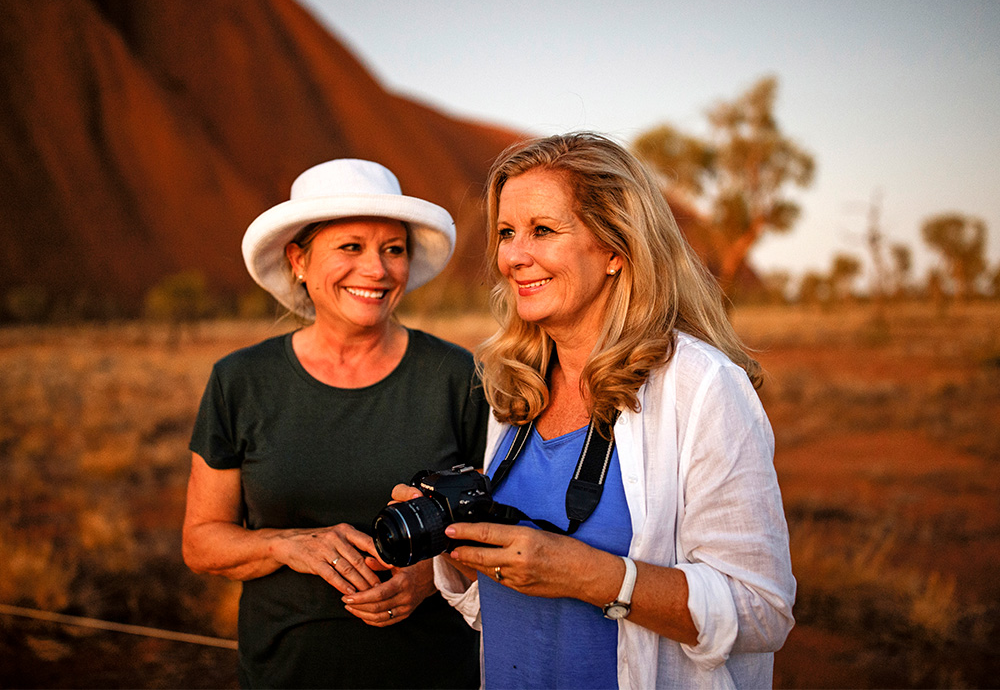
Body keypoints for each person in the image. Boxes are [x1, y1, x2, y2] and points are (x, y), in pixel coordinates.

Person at [397, 132, 795, 689]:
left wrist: (588, 575)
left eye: (543, 230)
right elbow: (512, 613)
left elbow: (761, 610)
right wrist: (459, 545)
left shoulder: (700, 386)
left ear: (616, 249)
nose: (513, 256)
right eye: (507, 233)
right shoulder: (518, 389)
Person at [182, 159, 488, 689]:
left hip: (432, 671)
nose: (376, 269)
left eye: (393, 250)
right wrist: (285, 544)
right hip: (286, 672)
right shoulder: (241, 381)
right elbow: (202, 541)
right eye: (351, 247)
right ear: (298, 261)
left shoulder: (456, 375)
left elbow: (501, 519)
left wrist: (433, 577)